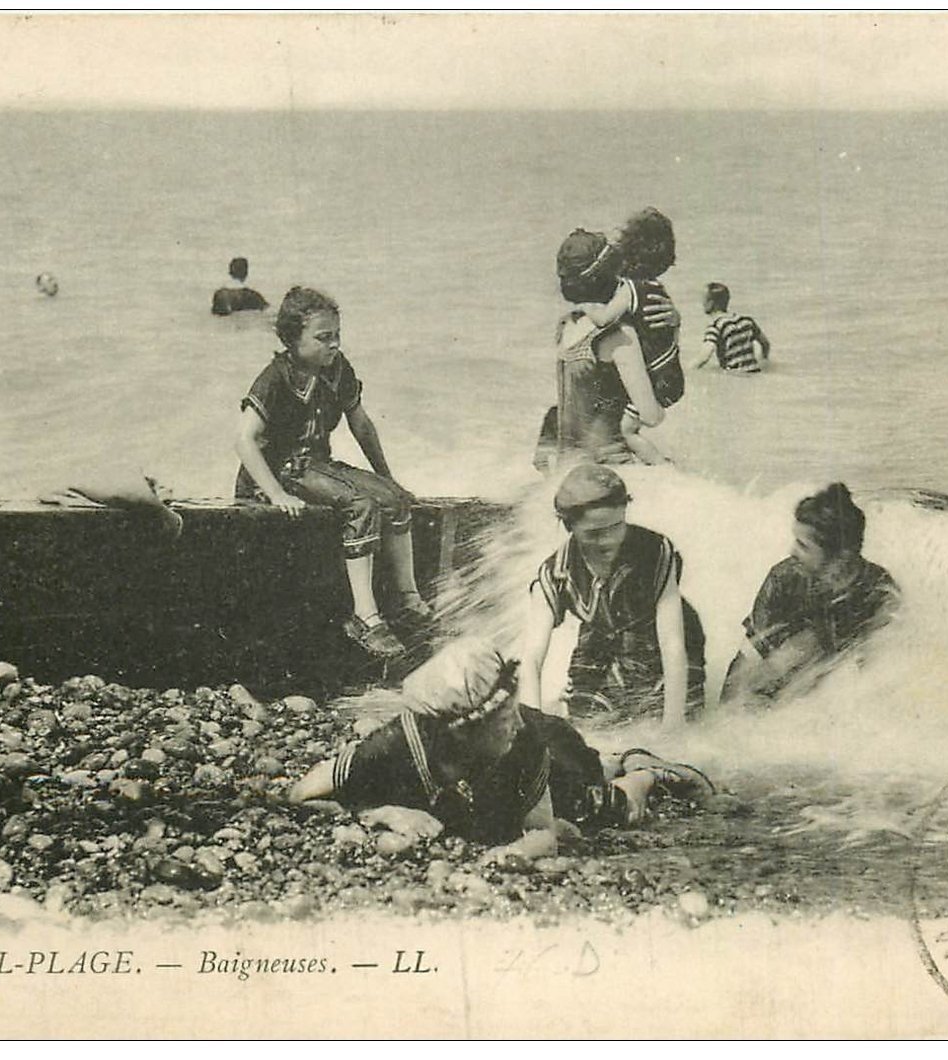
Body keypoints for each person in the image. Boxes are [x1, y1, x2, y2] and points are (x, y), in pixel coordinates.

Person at [287, 640, 712, 863]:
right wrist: (383, 813)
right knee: (585, 771)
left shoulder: (524, 736)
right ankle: (615, 761)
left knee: (599, 806)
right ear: (462, 730)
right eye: (504, 717)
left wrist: (510, 855)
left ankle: (642, 769)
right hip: (501, 768)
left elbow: (542, 832)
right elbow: (299, 793)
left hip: (552, 749)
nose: (517, 719)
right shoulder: (395, 746)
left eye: (513, 709)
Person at [234, 286, 429, 659]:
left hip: (315, 466)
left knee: (395, 501)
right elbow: (244, 440)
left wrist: (388, 477)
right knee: (361, 506)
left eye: (337, 336)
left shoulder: (338, 370)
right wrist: (276, 495)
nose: (334, 345)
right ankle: (365, 615)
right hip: (280, 473)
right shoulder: (275, 377)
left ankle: (408, 597)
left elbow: (362, 426)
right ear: (293, 339)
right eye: (323, 338)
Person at [517, 464, 707, 730]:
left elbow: (673, 643)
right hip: (601, 641)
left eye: (617, 526)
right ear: (570, 527)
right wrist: (532, 727)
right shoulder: (555, 573)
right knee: (589, 723)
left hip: (665, 638)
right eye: (593, 534)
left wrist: (673, 724)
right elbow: (532, 660)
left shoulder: (655, 550)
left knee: (662, 715)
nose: (608, 541)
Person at [720, 483, 898, 705]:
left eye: (803, 545)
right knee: (802, 645)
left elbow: (878, 677)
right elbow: (743, 667)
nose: (792, 551)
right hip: (777, 700)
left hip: (838, 701)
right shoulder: (784, 578)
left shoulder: (879, 590)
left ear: (842, 557)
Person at [547, 229, 671, 468]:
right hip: (611, 470)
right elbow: (651, 417)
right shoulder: (619, 336)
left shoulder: (565, 325)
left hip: (569, 469)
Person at [568, 208, 684, 465]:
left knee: (628, 430)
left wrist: (587, 308)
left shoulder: (624, 300)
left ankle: (664, 470)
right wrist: (676, 324)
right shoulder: (656, 289)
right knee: (632, 428)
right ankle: (665, 469)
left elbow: (605, 318)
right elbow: (660, 335)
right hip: (668, 373)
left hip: (588, 448)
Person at [695, 282, 771, 373]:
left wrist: (688, 371)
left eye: (703, 300)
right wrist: (763, 361)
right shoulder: (746, 321)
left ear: (711, 304)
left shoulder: (716, 326)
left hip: (735, 375)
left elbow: (704, 357)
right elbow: (765, 344)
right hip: (754, 371)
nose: (701, 303)